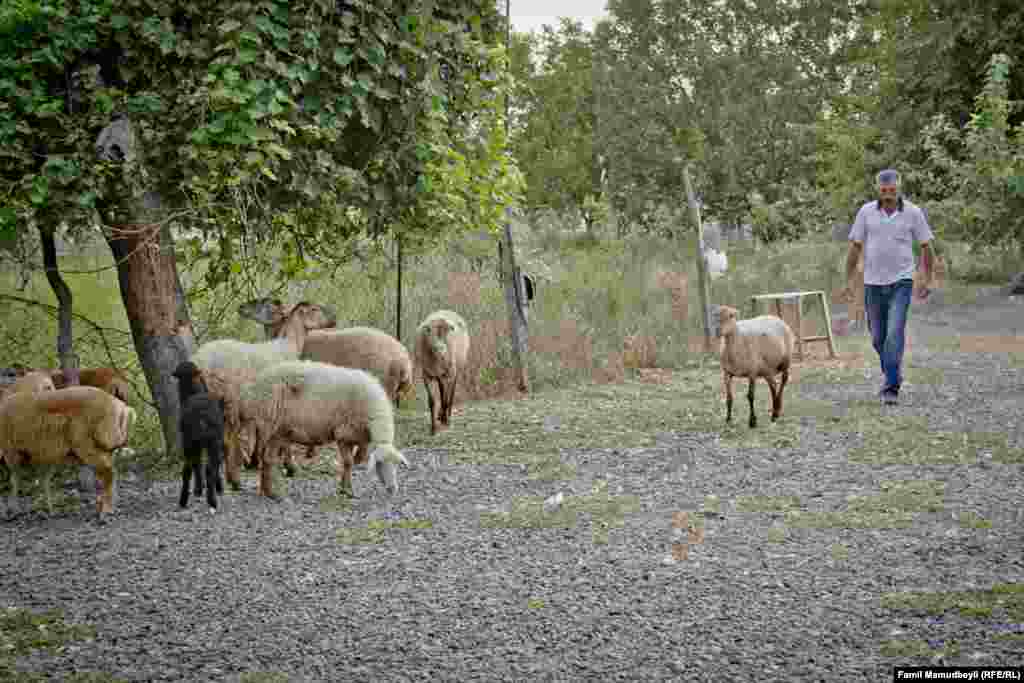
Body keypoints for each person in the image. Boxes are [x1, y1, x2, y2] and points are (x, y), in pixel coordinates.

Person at [841, 169, 934, 405]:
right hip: (873, 283)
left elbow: (926, 247)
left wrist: (926, 278)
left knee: (894, 333)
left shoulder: (913, 212)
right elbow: (854, 247)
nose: (888, 195)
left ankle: (891, 387)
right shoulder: (866, 212)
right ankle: (894, 373)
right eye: (884, 191)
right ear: (878, 190)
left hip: (901, 282)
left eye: (892, 190)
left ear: (899, 188)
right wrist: (848, 280)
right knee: (877, 337)